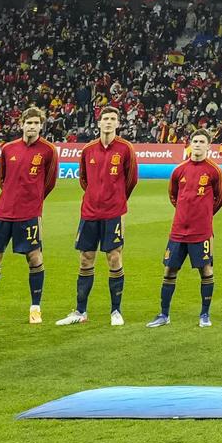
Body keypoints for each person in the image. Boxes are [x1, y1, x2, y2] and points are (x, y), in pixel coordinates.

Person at [0, 108, 58, 325]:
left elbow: (50, 182)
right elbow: (3, 179)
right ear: (22, 124)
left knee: (34, 258)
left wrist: (33, 200)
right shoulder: (8, 149)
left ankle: (35, 308)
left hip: (29, 214)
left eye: (36, 123)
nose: (32, 126)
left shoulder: (48, 151)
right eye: (29, 123)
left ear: (41, 126)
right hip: (4, 212)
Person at [57, 106, 137, 326]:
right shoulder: (88, 149)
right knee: (85, 259)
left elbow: (131, 180)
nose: (109, 122)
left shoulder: (126, 149)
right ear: (99, 123)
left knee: (114, 257)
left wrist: (116, 199)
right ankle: (81, 311)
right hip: (90, 212)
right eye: (105, 119)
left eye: (113, 119)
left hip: (114, 213)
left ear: (118, 123)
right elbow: (84, 180)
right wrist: (95, 196)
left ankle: (116, 311)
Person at [148, 130, 222, 327]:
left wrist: (204, 214)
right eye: (195, 141)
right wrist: (185, 213)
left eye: (202, 141)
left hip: (201, 231)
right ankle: (164, 315)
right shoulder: (179, 170)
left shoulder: (214, 171)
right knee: (169, 270)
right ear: (190, 144)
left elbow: (220, 198)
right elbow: (173, 196)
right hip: (178, 231)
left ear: (208, 146)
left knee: (206, 271)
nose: (198, 144)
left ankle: (205, 315)